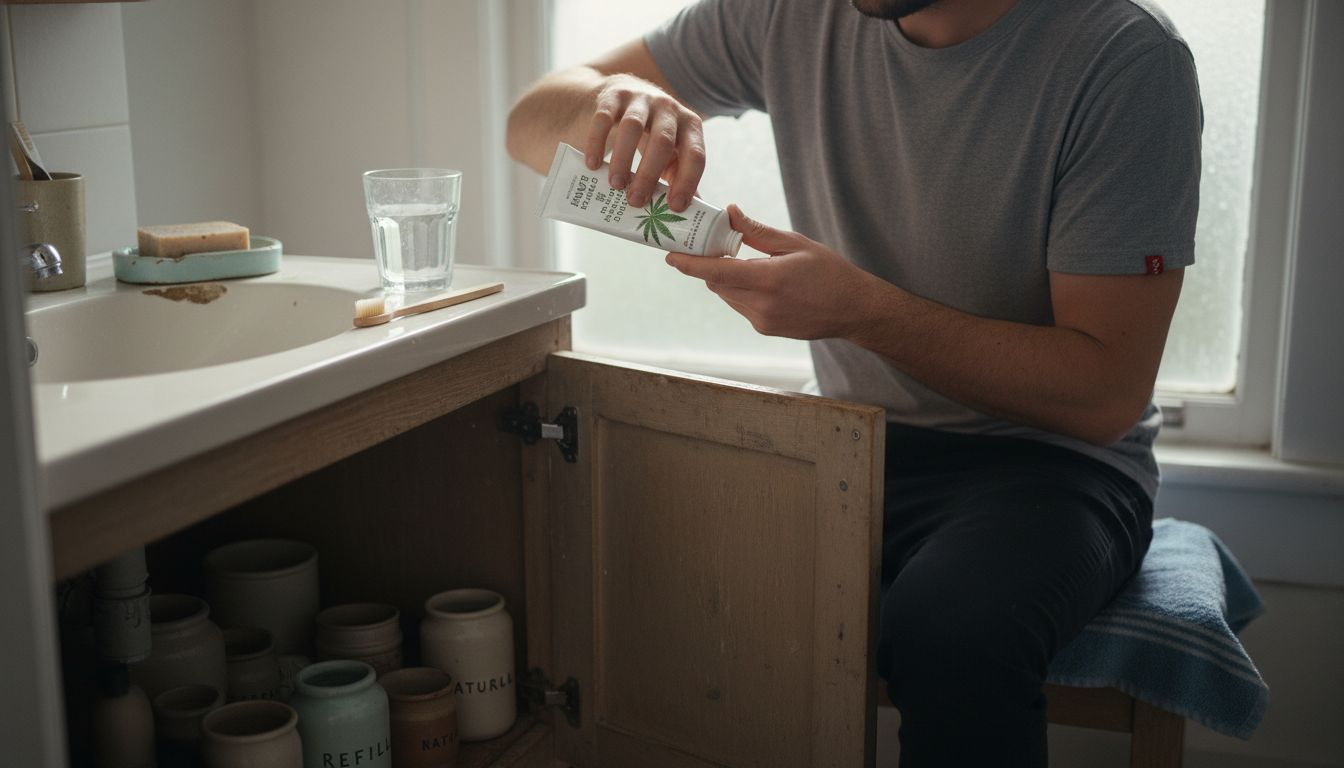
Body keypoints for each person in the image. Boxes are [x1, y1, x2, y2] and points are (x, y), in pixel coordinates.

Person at [506, 0, 1201, 764]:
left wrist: (866, 314)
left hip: (1056, 465)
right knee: (664, 591)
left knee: (951, 634)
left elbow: (1103, 396)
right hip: (851, 439)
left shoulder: (1126, 59)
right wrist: (608, 103)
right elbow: (529, 125)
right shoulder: (790, 13)